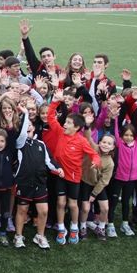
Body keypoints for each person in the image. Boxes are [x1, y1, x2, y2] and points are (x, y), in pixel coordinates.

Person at [48, 89, 101, 245]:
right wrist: (55, 101)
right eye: (65, 122)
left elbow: (94, 154)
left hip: (74, 177)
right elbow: (50, 117)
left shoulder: (81, 141)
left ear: (77, 127)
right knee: (60, 202)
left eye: (68, 123)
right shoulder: (60, 132)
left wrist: (96, 162)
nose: (64, 124)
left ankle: (74, 227)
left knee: (72, 204)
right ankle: (61, 228)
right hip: (60, 174)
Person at [12, 111, 63, 249]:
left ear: (34, 128)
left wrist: (58, 169)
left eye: (30, 125)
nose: (27, 127)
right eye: (25, 125)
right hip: (24, 182)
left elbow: (49, 161)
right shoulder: (20, 143)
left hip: (40, 182)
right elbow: (22, 131)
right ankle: (18, 236)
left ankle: (40, 236)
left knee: (44, 211)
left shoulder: (41, 144)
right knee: (22, 210)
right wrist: (25, 114)